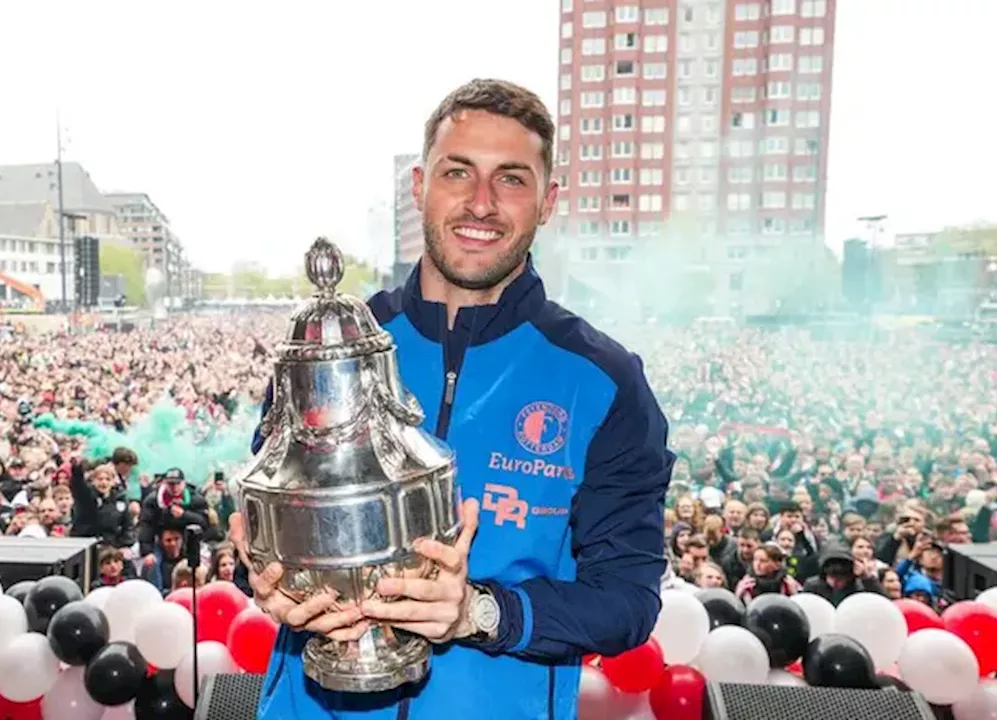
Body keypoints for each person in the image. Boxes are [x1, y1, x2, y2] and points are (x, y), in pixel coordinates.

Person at [231, 79, 673, 720]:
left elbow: (627, 602)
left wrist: (479, 611)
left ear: (548, 201)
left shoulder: (602, 381)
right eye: (458, 171)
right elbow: (272, 528)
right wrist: (264, 579)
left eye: (512, 179)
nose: (481, 202)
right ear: (420, 187)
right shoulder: (329, 354)